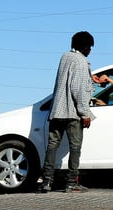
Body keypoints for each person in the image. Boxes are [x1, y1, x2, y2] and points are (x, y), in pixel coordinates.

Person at [39, 31, 99, 193]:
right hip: (72, 113)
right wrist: (85, 114)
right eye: (89, 47)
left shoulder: (65, 57)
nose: (90, 50)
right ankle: (72, 182)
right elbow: (78, 90)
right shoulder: (81, 61)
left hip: (57, 111)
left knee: (52, 146)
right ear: (85, 46)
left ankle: (46, 181)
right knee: (75, 147)